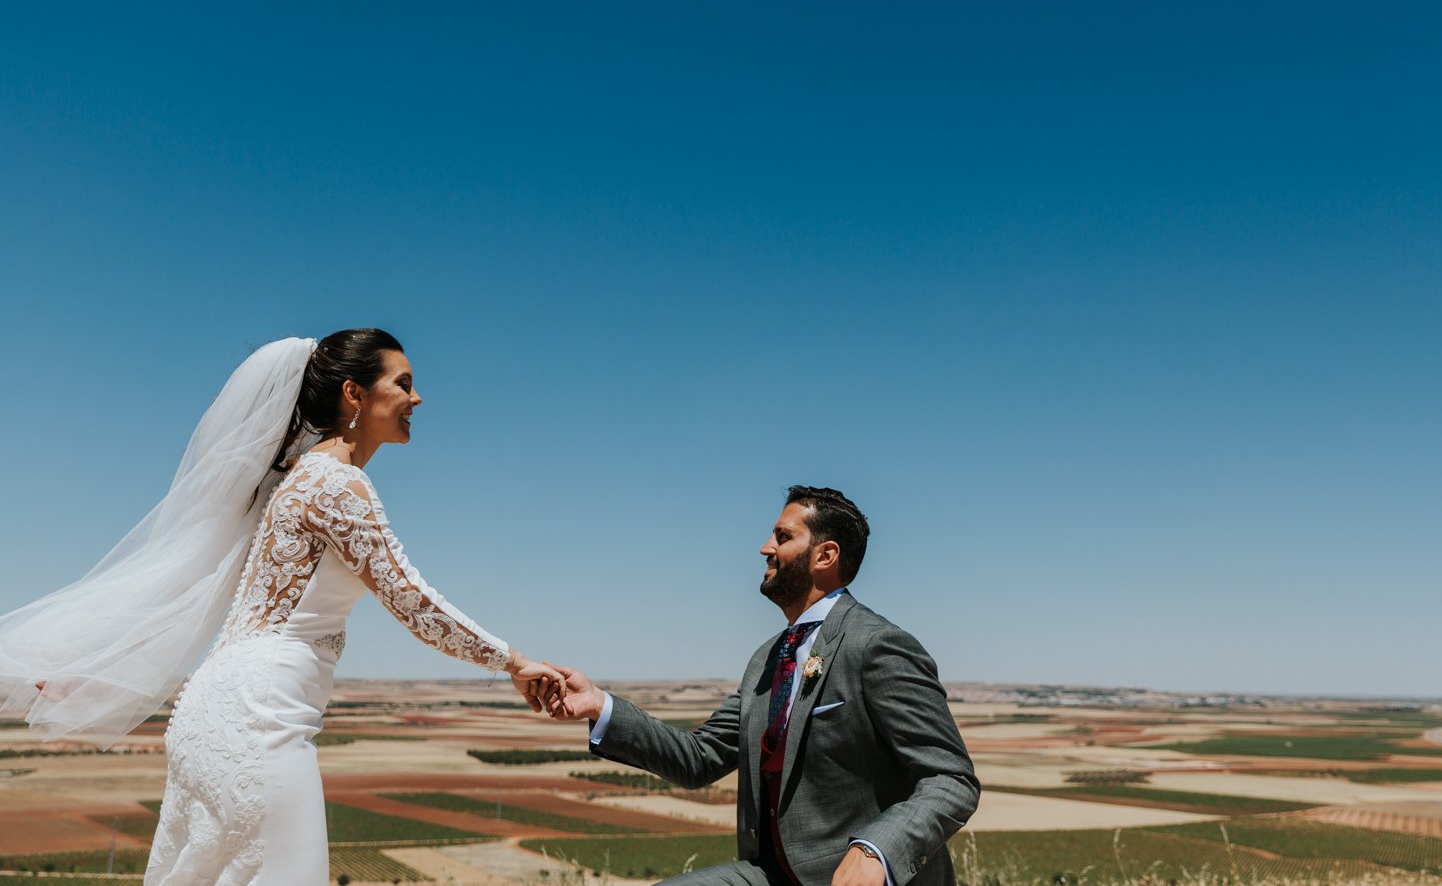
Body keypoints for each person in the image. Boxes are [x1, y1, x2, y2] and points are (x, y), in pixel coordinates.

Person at [0, 330, 558, 885]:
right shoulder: (336, 485)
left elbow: (196, 584)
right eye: (404, 383)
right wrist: (512, 662)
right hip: (261, 718)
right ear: (354, 395)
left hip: (208, 714)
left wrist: (102, 667)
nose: (418, 399)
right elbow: (411, 600)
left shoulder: (289, 482)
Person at [538, 486, 978, 886]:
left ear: (825, 556)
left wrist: (875, 850)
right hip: (769, 874)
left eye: (783, 537)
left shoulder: (878, 645)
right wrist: (599, 706)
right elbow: (699, 757)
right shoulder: (767, 659)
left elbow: (951, 778)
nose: (765, 548)